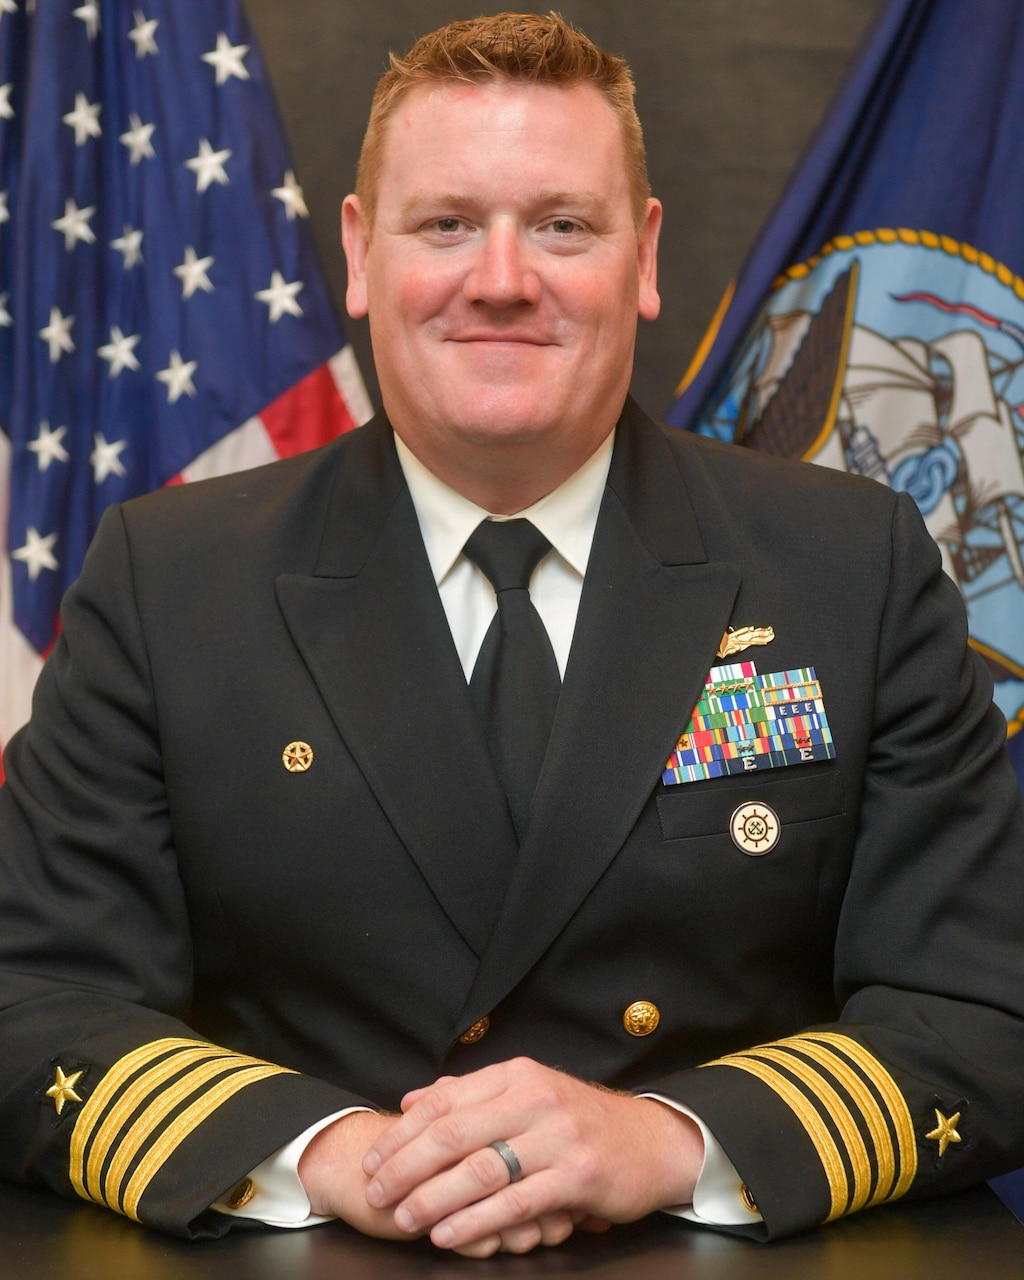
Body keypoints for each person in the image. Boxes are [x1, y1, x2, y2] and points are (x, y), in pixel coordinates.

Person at [1, 11, 1023, 1259]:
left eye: (561, 225)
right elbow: (32, 997)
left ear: (641, 258)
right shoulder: (169, 580)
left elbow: (983, 1007)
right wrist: (325, 1153)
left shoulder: (848, 564)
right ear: (360, 256)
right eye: (445, 224)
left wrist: (664, 1138)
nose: (500, 277)